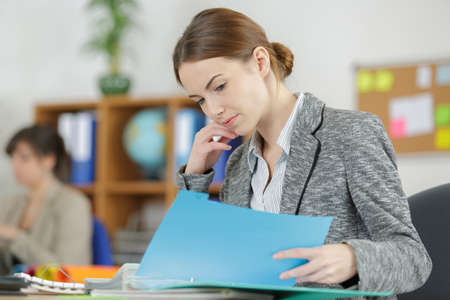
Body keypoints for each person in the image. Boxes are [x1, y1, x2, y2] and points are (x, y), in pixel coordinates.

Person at [172, 7, 432, 299]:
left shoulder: (351, 134)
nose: (214, 110)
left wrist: (353, 259)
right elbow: (200, 264)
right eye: (201, 101)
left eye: (219, 86)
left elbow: (413, 259)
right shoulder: (238, 164)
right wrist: (194, 178)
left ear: (260, 62)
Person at [0, 125, 92, 275]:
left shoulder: (73, 204)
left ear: (49, 161)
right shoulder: (10, 203)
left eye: (24, 158)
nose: (15, 166)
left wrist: (16, 236)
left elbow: (68, 271)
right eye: (13, 158)